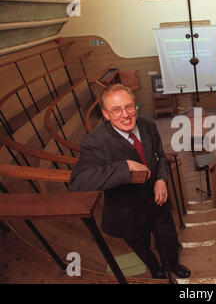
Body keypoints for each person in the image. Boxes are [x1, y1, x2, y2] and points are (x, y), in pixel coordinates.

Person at [69, 84, 190, 279]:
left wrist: (161, 179)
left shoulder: (147, 125)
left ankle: (173, 265)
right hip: (127, 210)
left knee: (168, 238)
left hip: (157, 201)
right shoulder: (95, 142)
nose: (125, 114)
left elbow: (160, 156)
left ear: (135, 106)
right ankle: (155, 268)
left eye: (129, 107)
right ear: (106, 114)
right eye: (116, 110)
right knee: (140, 245)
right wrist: (125, 167)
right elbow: (78, 182)